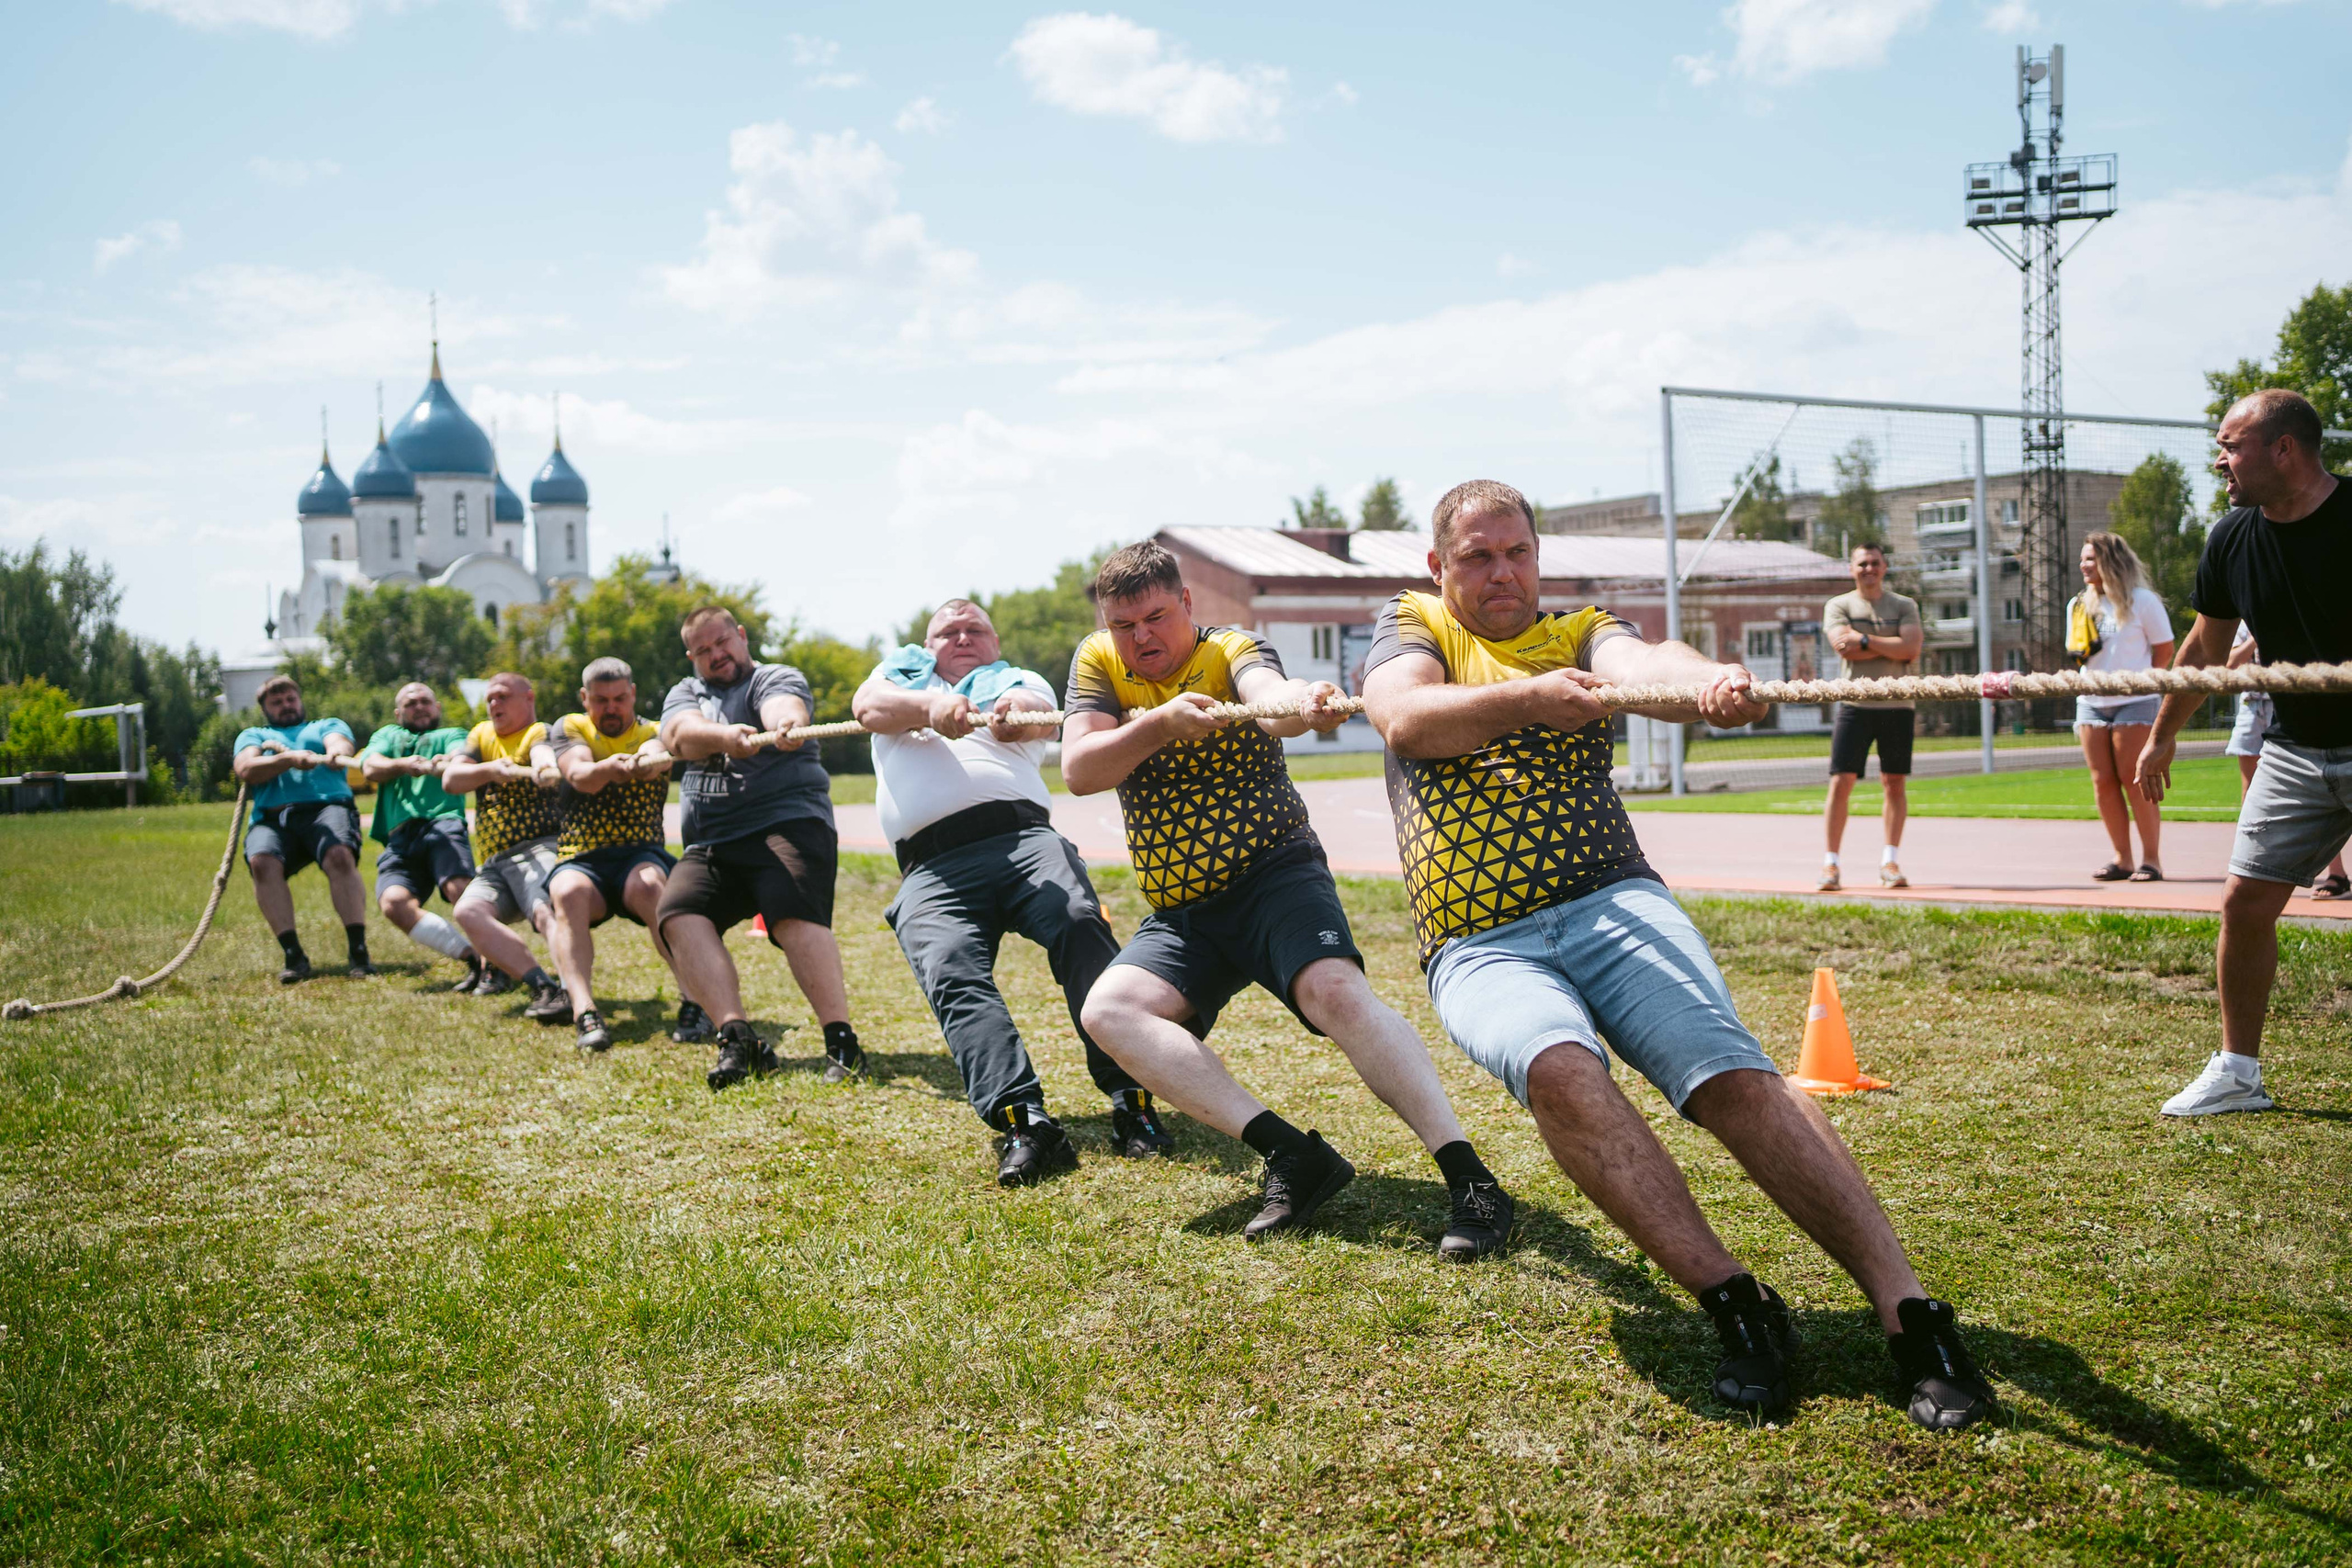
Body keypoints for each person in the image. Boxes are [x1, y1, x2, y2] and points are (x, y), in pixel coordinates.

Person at [1360, 479, 1994, 1429]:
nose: (1501, 572)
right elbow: (1404, 718)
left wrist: (1707, 680)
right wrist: (1530, 701)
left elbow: (1647, 655)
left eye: (1517, 553)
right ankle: (1737, 1305)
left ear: (1540, 557)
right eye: (1477, 556)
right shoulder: (1411, 626)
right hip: (1477, 942)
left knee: (1729, 1079)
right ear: (1438, 567)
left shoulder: (1579, 636)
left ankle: (1909, 1315)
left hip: (1611, 900)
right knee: (1559, 1073)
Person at [1066, 540, 1516, 1258]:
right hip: (1184, 913)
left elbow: (1269, 701)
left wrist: (1299, 705)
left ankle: (1471, 1178)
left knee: (1336, 993)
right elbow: (1079, 768)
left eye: (1155, 617)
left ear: (1187, 604)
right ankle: (1292, 1155)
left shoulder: (1232, 646)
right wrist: (1158, 723)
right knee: (1107, 1012)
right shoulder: (1098, 661)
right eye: (1125, 625)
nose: (1141, 637)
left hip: (1276, 875)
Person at [852, 599, 1171, 1185]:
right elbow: (867, 707)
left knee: (1078, 920)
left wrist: (1006, 712)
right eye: (949, 631)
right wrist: (932, 705)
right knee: (948, 965)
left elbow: (1040, 709)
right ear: (929, 644)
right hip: (932, 865)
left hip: (1022, 837)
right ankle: (1024, 1120)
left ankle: (1133, 1100)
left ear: (994, 642)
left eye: (976, 629)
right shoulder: (897, 676)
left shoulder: (1016, 679)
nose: (963, 637)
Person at [2138, 389, 2351, 1117]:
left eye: (2231, 445)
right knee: (2245, 901)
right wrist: (2164, 731)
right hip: (2294, 746)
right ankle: (2238, 1072)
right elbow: (2205, 647)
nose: (2220, 460)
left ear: (2283, 449)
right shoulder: (2233, 536)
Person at [656, 606, 865, 1092]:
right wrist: (726, 738)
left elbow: (785, 708)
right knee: (677, 914)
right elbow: (678, 734)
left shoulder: (773, 677)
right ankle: (738, 1038)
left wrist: (784, 726)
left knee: (791, 914)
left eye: (722, 642)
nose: (716, 655)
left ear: (742, 637)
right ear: (691, 656)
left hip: (786, 822)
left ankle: (841, 1041)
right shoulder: (685, 693)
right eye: (703, 650)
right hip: (713, 841)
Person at [545, 657, 682, 1055]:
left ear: (633, 695)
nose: (611, 708)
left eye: (620, 698)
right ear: (585, 699)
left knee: (653, 886)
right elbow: (579, 776)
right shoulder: (570, 726)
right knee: (567, 893)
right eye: (601, 700)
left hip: (641, 853)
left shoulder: (654, 730)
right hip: (581, 855)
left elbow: (658, 751)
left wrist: (646, 764)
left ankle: (694, 1000)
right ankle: (584, 1011)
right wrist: (609, 767)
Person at [440, 671, 571, 1012]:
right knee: (468, 912)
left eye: (502, 696)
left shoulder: (537, 732)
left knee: (545, 910)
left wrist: (544, 767)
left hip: (541, 847)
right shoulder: (481, 735)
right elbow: (452, 779)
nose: (494, 704)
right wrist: (491, 770)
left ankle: (572, 989)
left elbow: (543, 754)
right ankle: (543, 986)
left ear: (529, 698)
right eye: (489, 699)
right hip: (495, 862)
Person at [232, 673, 372, 982]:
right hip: (273, 818)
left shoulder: (324, 726)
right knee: (262, 862)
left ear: (300, 700)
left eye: (290, 699)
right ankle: (294, 956)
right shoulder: (253, 735)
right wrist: (288, 760)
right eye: (277, 702)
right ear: (266, 709)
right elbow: (245, 769)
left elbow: (341, 744)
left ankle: (358, 950)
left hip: (327, 808)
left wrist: (336, 753)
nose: (286, 706)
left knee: (339, 855)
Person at [357, 682, 481, 987]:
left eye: (425, 701)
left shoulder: (450, 734)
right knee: (394, 904)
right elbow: (371, 766)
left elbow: (460, 755)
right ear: (399, 713)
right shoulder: (388, 735)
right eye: (411, 703)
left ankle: (496, 966)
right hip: (400, 836)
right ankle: (473, 958)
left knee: (460, 889)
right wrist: (403, 765)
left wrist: (448, 760)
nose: (419, 707)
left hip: (444, 823)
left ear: (437, 707)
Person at [2070, 531, 2176, 883]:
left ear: (2111, 562)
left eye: (2090, 558)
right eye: (2083, 559)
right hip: (2091, 702)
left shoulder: (2142, 601)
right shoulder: (2080, 604)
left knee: (2135, 780)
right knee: (2102, 782)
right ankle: (2122, 858)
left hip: (2136, 702)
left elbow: (2164, 651)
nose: (2083, 565)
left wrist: (2146, 686)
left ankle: (2151, 860)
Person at [1819, 543, 1922, 890]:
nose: (1869, 569)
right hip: (1855, 705)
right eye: (1862, 563)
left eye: (1875, 563)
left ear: (1885, 566)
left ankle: (1890, 862)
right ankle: (1831, 865)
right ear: (1852, 568)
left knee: (1894, 783)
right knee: (1841, 781)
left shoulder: (1904, 605)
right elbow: (1840, 645)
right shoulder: (1838, 605)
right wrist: (1886, 642)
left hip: (1898, 704)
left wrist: (1862, 638)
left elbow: (1910, 649)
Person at [2226, 626, 2348, 899]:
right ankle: (2256, 869)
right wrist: (2256, 636)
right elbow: (2230, 663)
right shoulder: (2242, 625)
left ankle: (2336, 873)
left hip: (2292, 704)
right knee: (2251, 789)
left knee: (2324, 787)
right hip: (2251, 706)